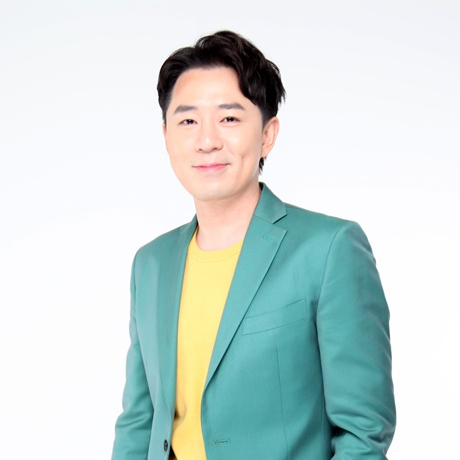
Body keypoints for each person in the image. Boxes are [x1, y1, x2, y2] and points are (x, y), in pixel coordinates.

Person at [111, 30, 396, 460]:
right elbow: (140, 421)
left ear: (267, 134)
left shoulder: (328, 249)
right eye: (188, 121)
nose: (207, 140)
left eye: (229, 118)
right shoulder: (150, 264)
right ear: (166, 134)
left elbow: (364, 432)